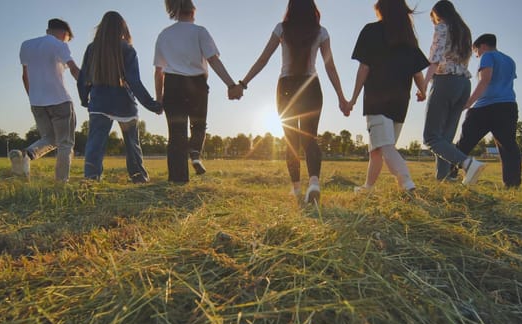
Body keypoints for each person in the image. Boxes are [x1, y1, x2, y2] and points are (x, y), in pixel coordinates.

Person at [239, 0, 348, 203]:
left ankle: (297, 189)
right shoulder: (321, 32)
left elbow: (263, 59)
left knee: (292, 141)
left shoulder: (282, 29)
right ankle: (314, 182)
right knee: (310, 139)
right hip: (311, 87)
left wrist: (243, 83)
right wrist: (342, 98)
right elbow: (330, 67)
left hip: (286, 88)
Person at [154, 0, 242, 184]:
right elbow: (213, 60)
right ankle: (194, 151)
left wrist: (159, 98)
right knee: (199, 125)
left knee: (176, 134)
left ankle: (178, 181)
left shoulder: (164, 34)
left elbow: (159, 71)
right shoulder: (200, 32)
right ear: (193, 11)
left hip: (172, 85)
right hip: (196, 85)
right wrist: (231, 85)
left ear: (174, 11)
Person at [345, 0, 429, 193]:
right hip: (400, 102)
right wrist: (423, 91)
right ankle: (368, 187)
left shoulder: (371, 30)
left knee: (385, 146)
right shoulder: (408, 39)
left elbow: (364, 67)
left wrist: (353, 99)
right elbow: (418, 73)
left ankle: (407, 183)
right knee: (377, 148)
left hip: (377, 99)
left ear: (381, 9)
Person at [77, 11, 162, 183]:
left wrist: (84, 98)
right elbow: (134, 82)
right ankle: (139, 178)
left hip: (99, 103)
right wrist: (152, 105)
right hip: (125, 105)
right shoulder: (127, 49)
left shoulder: (92, 48)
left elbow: (83, 78)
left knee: (95, 145)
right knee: (132, 146)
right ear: (122, 28)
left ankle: (91, 179)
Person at [422, 0, 485, 185]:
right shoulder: (465, 31)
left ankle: (467, 163)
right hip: (464, 84)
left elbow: (435, 58)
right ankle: (444, 180)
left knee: (431, 137)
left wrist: (424, 85)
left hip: (446, 81)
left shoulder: (443, 26)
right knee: (445, 139)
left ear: (437, 14)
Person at [18, 18, 80, 182]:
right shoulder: (59, 45)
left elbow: (25, 75)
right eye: (68, 39)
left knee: (49, 138)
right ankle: (61, 182)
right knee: (65, 143)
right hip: (60, 100)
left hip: (37, 102)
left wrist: (33, 97)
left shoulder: (26, 45)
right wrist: (89, 86)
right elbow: (73, 69)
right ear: (64, 34)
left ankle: (26, 155)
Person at [457, 33, 522, 188]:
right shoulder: (509, 60)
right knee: (508, 146)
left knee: (464, 144)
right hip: (508, 106)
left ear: (483, 46)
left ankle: (449, 174)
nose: (477, 55)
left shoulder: (487, 56)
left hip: (485, 107)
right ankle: (512, 184)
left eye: (476, 51)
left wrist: (468, 102)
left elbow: (485, 80)